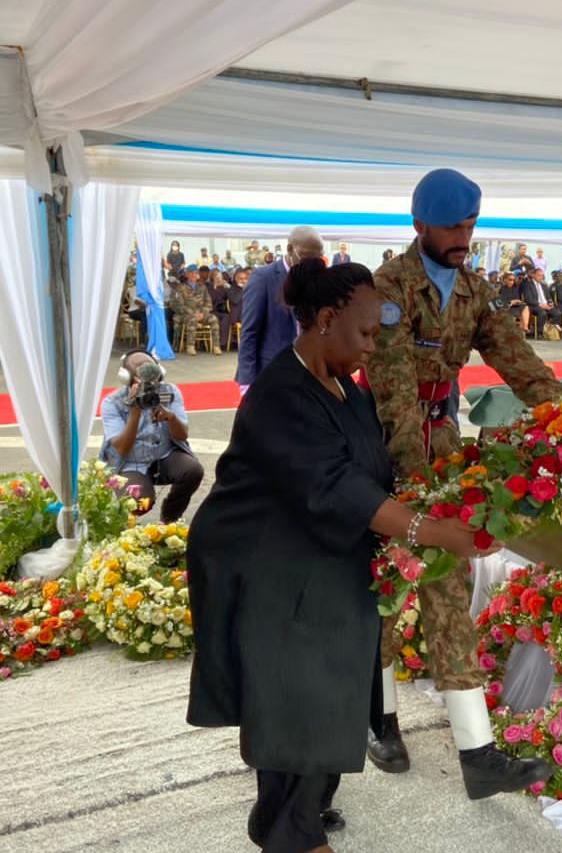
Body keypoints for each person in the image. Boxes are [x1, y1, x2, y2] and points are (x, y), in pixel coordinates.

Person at [188, 259, 494, 853]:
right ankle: (293, 834)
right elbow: (337, 487)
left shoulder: (343, 386)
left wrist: (451, 498)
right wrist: (432, 531)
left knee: (330, 690)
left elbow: (370, 470)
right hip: (267, 565)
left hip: (322, 553)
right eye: (366, 334)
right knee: (300, 698)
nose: (372, 349)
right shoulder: (282, 394)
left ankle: (293, 813)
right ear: (327, 319)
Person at [365, 168, 561, 799]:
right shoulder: (389, 287)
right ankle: (378, 719)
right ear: (419, 224)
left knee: (448, 583)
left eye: (470, 225)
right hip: (382, 453)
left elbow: (518, 360)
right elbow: (393, 391)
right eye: (451, 227)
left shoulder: (474, 289)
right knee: (381, 590)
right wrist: (417, 486)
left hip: (442, 446)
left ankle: (478, 755)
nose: (463, 237)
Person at [99, 350, 204, 522]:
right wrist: (135, 412)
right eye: (139, 368)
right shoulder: (112, 403)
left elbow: (182, 435)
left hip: (164, 455)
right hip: (130, 463)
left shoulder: (170, 392)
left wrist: (171, 418)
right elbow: (122, 449)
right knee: (138, 502)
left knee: (193, 471)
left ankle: (170, 517)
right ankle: (126, 526)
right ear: (126, 377)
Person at [237, 226, 324, 390]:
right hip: (272, 372)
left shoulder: (318, 279)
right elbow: (249, 332)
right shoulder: (263, 278)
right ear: (290, 249)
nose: (312, 262)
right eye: (306, 256)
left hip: (310, 373)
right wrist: (247, 383)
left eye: (318, 257)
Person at [170, 266, 222, 355]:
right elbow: (176, 305)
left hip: (201, 313)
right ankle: (190, 346)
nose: (194, 275)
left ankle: (216, 346)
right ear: (187, 275)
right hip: (185, 314)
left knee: (214, 318)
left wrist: (203, 313)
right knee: (192, 319)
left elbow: (208, 303)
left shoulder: (202, 287)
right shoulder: (180, 288)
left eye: (195, 273)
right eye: (191, 273)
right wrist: (193, 313)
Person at [521, 266, 561, 334]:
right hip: (534, 306)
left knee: (557, 313)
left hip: (546, 305)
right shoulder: (528, 285)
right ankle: (540, 332)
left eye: (542, 276)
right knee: (543, 313)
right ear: (533, 275)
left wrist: (550, 303)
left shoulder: (544, 285)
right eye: (539, 275)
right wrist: (541, 305)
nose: (541, 277)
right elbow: (528, 299)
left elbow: (548, 297)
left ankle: (547, 326)